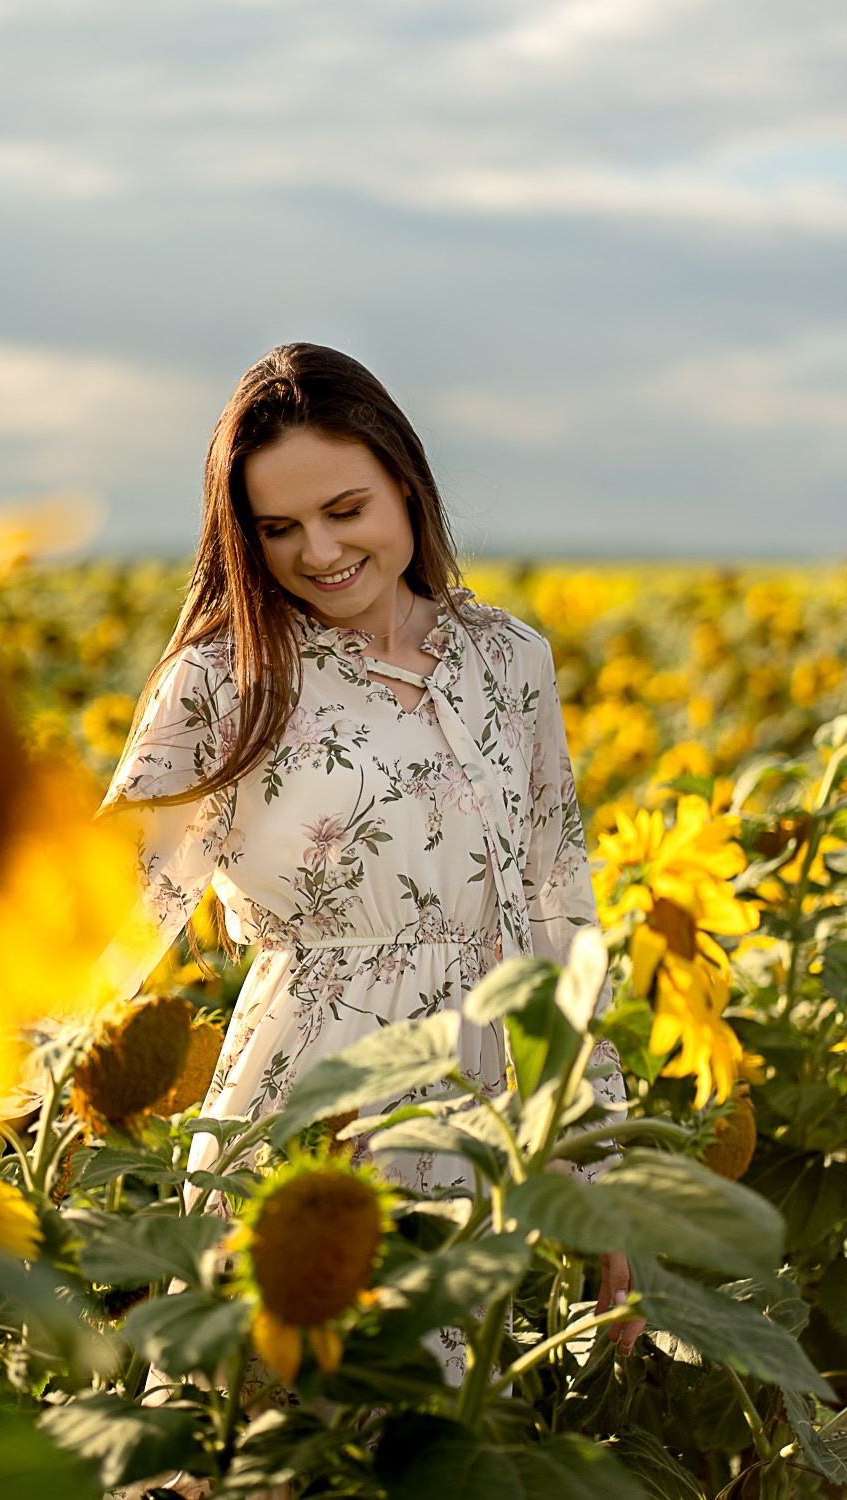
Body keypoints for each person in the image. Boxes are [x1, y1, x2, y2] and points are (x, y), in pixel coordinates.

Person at [97, 342, 645, 1364]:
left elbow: (556, 905)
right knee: (285, 1434)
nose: (317, 551)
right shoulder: (223, 683)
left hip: (486, 1123)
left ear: (404, 479)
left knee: (451, 1439)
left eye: (345, 509)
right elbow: (103, 914)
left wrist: (600, 1157)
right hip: (306, 1116)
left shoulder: (507, 658)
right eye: (279, 529)